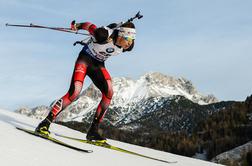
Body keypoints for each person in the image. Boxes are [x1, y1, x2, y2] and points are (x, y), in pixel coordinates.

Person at [35, 20, 136, 142]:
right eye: (127, 39)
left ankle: (93, 131)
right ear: (120, 34)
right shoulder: (102, 34)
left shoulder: (129, 46)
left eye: (132, 39)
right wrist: (76, 26)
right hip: (84, 61)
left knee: (109, 92)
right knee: (75, 92)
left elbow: (124, 41)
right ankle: (45, 123)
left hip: (98, 65)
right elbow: (90, 26)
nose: (129, 43)